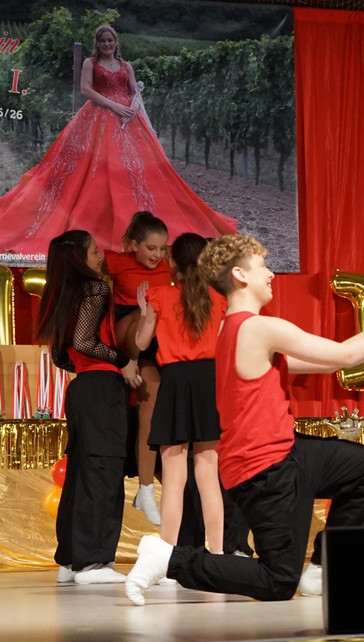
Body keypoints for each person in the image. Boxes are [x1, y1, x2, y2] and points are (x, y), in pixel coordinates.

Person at [124, 234, 364, 605]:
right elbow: (345, 356)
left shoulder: (232, 328)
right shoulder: (258, 329)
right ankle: (170, 559)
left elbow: (328, 360)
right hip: (265, 467)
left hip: (284, 453)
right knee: (278, 582)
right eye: (262, 266)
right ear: (239, 275)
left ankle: (322, 565)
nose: (271, 274)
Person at [0, 24, 237, 257]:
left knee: (140, 173)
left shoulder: (126, 65)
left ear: (116, 42)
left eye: (110, 40)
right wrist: (115, 106)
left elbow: (134, 91)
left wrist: (132, 107)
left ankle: (137, 224)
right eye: (102, 41)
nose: (107, 44)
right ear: (97, 44)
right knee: (89, 173)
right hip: (97, 118)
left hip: (128, 121)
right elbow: (86, 90)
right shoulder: (90, 63)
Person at [35, 230, 140, 585]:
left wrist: (88, 367)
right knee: (103, 472)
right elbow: (83, 341)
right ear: (80, 258)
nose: (102, 256)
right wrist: (122, 361)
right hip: (101, 391)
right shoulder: (95, 288)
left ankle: (70, 560)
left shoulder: (61, 293)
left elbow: (61, 354)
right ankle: (93, 562)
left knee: (81, 474)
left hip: (81, 388)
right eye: (95, 251)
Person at [134, 233, 227, 553]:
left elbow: (141, 343)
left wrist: (143, 310)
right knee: (208, 474)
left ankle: (166, 558)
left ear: (171, 261)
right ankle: (217, 554)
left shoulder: (159, 296)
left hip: (175, 382)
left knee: (174, 477)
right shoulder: (219, 298)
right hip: (209, 382)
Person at [104, 212, 172, 525]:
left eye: (162, 248)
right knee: (141, 314)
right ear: (134, 245)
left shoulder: (168, 263)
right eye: (151, 248)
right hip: (128, 332)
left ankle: (146, 488)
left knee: (152, 396)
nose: (157, 255)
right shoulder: (118, 261)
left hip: (155, 338)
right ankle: (129, 362)